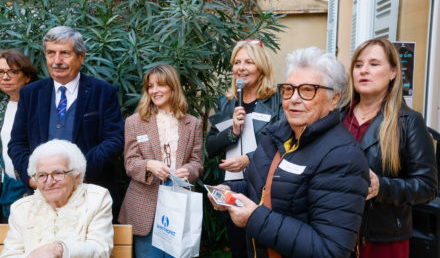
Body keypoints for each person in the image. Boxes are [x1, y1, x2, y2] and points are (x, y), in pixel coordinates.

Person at [209, 47, 370, 257]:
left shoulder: (343, 157)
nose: (294, 98)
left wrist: (254, 218)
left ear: (334, 99)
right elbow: (261, 187)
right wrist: (230, 191)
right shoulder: (275, 136)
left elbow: (330, 250)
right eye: (288, 89)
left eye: (307, 90)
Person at [8, 26, 124, 219]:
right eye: (51, 53)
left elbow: (114, 140)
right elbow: (17, 143)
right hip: (42, 199)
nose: (57, 61)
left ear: (81, 57)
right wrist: (33, 179)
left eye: (65, 54)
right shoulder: (30, 94)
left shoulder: (103, 93)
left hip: (89, 195)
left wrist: (79, 175)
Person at [340, 38, 437, 258]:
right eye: (358, 65)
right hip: (336, 232)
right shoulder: (337, 117)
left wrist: (381, 187)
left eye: (374, 64)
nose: (364, 70)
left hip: (382, 240)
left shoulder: (409, 121)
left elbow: (427, 187)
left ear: (393, 72)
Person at [205, 40, 283, 257]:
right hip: (231, 186)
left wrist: (249, 159)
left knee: (263, 247)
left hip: (264, 186)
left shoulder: (276, 100)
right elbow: (209, 147)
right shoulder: (227, 102)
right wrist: (233, 132)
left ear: (261, 67)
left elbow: (284, 143)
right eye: (237, 62)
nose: (241, 68)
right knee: (238, 248)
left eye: (249, 62)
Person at [118, 64, 203, 258]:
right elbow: (130, 163)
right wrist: (149, 165)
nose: (154, 91)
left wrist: (188, 171)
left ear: (173, 87)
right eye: (150, 86)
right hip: (145, 205)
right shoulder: (134, 122)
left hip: (179, 202)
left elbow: (198, 162)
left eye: (160, 85)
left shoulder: (193, 123)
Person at [0, 139, 113, 258]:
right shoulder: (21, 209)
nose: (49, 182)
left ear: (76, 176)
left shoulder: (96, 199)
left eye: (58, 173)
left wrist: (60, 249)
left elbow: (100, 249)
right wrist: (32, 256)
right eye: (42, 175)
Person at [0, 50, 38, 222]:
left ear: (28, 76)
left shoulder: (39, 106)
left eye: (13, 72)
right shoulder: (2, 108)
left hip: (37, 188)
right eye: (1, 72)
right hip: (8, 189)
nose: (5, 77)